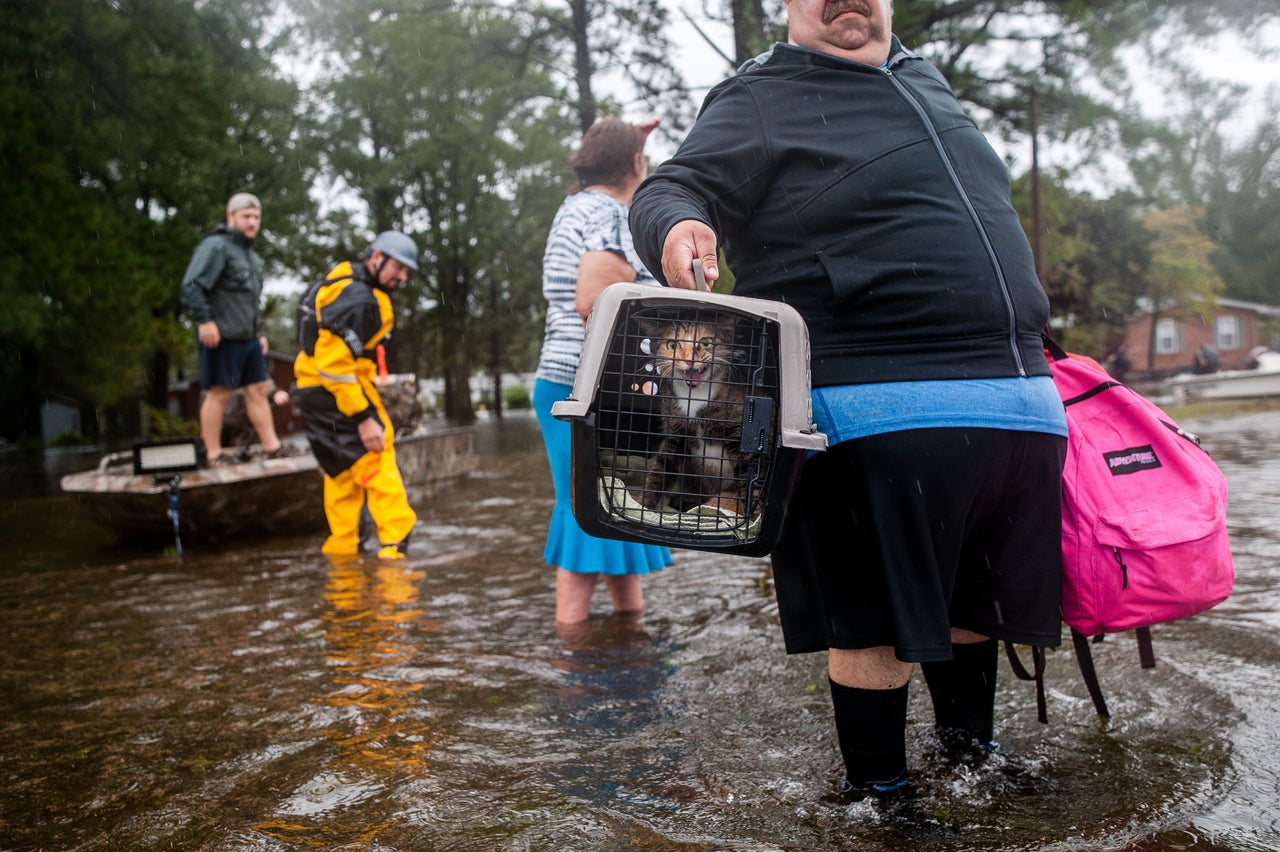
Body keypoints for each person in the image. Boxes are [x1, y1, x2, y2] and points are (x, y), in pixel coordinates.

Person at [629, 0, 1069, 800]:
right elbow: (673, 187)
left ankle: (971, 762)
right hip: (871, 408)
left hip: (1013, 405)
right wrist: (676, 229)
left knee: (975, 607)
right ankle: (882, 804)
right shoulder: (761, 93)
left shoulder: (926, 79)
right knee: (872, 626)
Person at [534, 117, 674, 625]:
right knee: (588, 510)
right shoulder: (615, 214)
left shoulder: (576, 206)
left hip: (562, 379)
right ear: (636, 163)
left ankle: (622, 636)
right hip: (589, 386)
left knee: (609, 505)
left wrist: (623, 141)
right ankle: (576, 654)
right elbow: (596, 299)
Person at [293, 231, 420, 560]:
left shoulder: (341, 279)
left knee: (341, 472)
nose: (403, 277)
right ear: (376, 256)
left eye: (408, 272)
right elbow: (334, 363)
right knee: (377, 455)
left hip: (310, 390)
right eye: (399, 267)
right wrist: (363, 418)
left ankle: (343, 555)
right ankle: (395, 552)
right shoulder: (360, 299)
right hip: (337, 392)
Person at [180, 192, 285, 465]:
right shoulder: (216, 247)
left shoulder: (252, 257)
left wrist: (260, 332)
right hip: (220, 335)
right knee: (219, 392)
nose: (252, 222)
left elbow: (252, 300)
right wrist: (205, 321)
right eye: (246, 216)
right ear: (231, 217)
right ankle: (213, 453)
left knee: (258, 390)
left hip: (248, 337)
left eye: (256, 217)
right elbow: (192, 286)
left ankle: (273, 447)